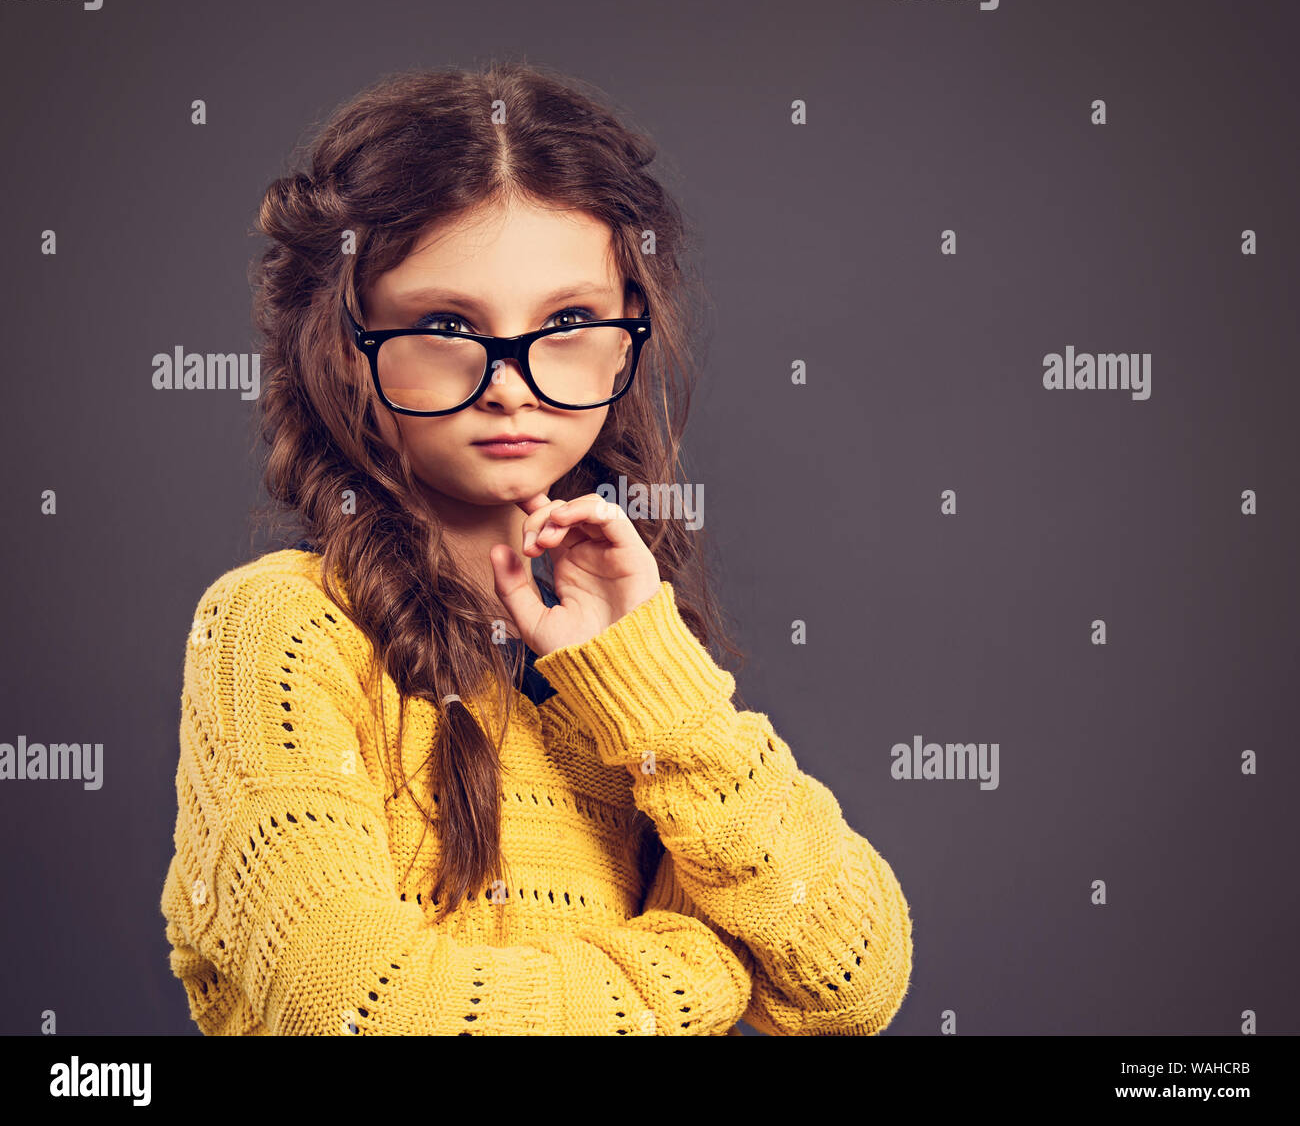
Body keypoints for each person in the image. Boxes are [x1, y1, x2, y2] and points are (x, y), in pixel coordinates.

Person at [159, 60, 913, 1036]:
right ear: (348, 345)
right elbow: (365, 1011)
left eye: (563, 323)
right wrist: (703, 974)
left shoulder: (628, 672)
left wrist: (651, 679)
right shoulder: (282, 630)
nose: (509, 383)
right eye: (446, 324)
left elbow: (852, 976)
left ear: (622, 341)